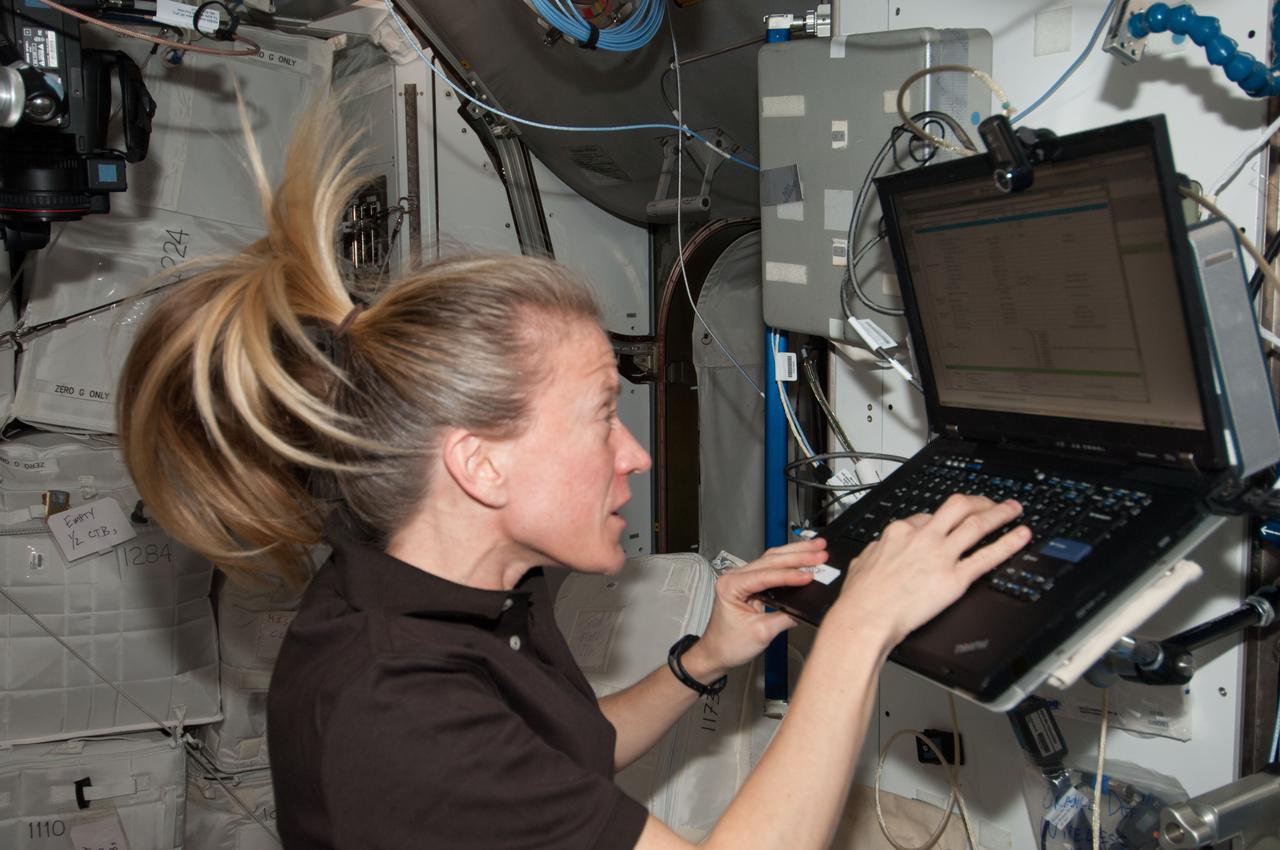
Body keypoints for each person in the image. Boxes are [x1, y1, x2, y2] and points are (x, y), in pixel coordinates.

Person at [118, 98, 1031, 850]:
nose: (631, 450)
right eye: (601, 414)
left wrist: (702, 661)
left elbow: (560, 758)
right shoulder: (395, 710)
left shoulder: (449, 584)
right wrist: (858, 628)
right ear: (478, 465)